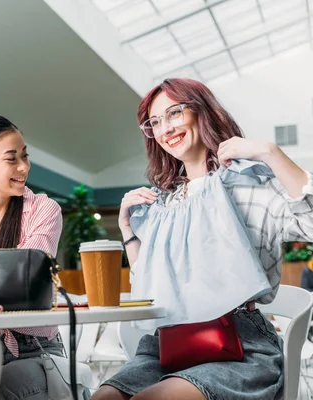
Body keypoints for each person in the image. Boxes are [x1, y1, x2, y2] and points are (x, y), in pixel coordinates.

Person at [91, 78, 313, 400]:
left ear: (202, 112)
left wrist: (270, 153)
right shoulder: (163, 204)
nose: (165, 128)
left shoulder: (248, 184)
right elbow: (151, 290)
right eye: (155, 122)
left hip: (239, 345)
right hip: (166, 344)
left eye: (175, 113)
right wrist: (128, 231)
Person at [0, 115, 67, 400]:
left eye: (25, 156)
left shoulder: (44, 210)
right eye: (12, 158)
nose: (24, 167)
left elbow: (24, 285)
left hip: (37, 351)